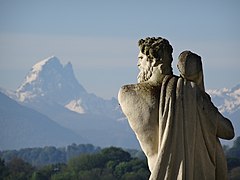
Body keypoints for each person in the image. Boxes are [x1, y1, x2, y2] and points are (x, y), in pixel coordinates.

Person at [118, 37, 235, 180]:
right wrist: (198, 88)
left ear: (154, 60)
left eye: (141, 58)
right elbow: (227, 131)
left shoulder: (129, 94)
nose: (137, 63)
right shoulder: (191, 93)